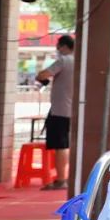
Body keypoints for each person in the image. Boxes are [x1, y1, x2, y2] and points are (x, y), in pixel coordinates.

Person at [35, 35, 74, 190]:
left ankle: (61, 179)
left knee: (60, 146)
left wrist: (41, 76)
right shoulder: (78, 61)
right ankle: (65, 177)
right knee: (66, 144)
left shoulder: (64, 60)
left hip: (59, 110)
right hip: (71, 110)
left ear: (64, 46)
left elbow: (43, 75)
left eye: (58, 46)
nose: (57, 49)